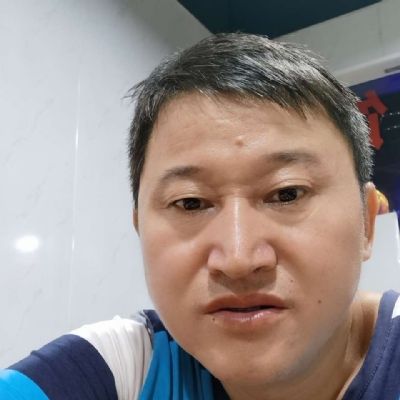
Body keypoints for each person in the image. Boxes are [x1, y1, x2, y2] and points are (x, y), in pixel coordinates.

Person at [0, 32, 397, 400]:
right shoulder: (122, 371)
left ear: (366, 223)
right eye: (190, 203)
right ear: (140, 230)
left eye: (287, 193)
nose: (238, 259)